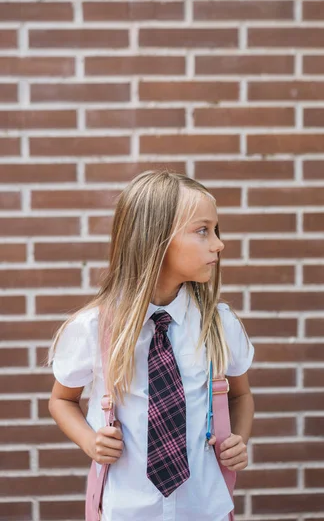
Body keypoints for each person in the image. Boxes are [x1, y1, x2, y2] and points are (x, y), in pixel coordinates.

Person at [48, 170, 255, 521]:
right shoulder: (93, 329)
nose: (218, 243)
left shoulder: (218, 325)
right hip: (127, 509)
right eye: (203, 230)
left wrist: (238, 438)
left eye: (216, 230)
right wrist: (89, 441)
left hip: (205, 508)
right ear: (155, 239)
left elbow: (240, 395)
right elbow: (61, 400)